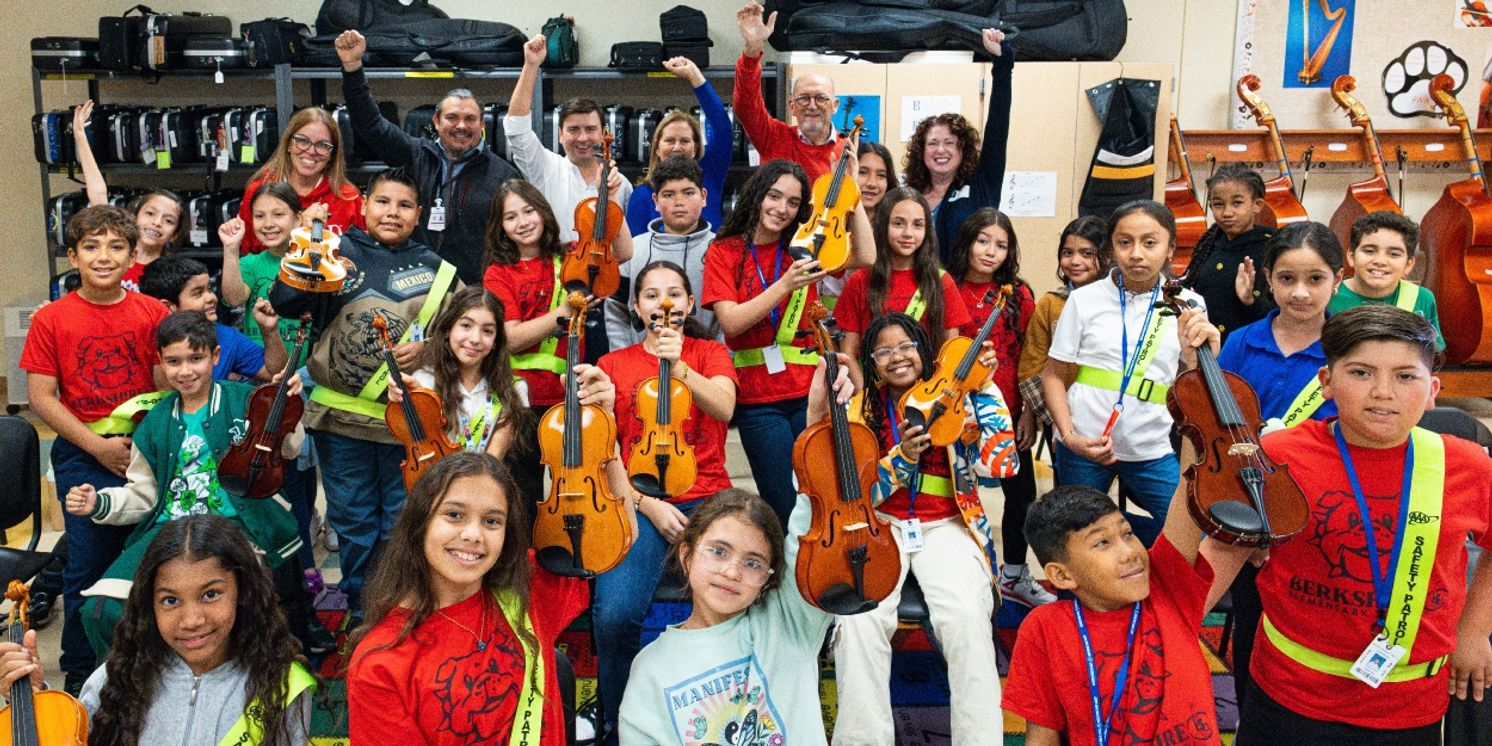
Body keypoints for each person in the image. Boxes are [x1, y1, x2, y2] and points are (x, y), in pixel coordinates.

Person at [1236, 305, 1492, 745]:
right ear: (1326, 382)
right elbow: (1226, 548)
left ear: (1432, 390)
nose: (1383, 392)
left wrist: (1474, 630)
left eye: (1405, 376)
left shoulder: (1467, 465)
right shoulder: (1279, 455)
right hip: (1290, 693)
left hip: (1410, 703)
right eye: (1360, 373)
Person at [618, 350, 850, 743]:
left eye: (753, 563)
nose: (731, 572)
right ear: (687, 554)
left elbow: (811, 522)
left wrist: (816, 424)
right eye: (719, 551)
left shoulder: (790, 623)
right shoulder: (650, 669)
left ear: (770, 577)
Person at [268, 167, 462, 622]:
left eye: (404, 205)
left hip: (407, 424)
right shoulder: (336, 250)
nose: (392, 213)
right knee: (353, 522)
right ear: (364, 205)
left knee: (401, 522)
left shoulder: (438, 269)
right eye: (383, 202)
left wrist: (429, 349)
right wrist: (308, 241)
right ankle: (361, 614)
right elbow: (284, 302)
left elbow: (465, 336)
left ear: (419, 214)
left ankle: (398, 612)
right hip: (339, 423)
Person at [61, 310, 313, 655]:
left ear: (215, 356)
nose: (185, 371)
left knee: (238, 611)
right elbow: (143, 495)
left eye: (196, 358)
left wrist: (288, 407)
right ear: (161, 362)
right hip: (169, 531)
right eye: (174, 361)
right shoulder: (154, 421)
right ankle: (140, 682)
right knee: (101, 610)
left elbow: (289, 449)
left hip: (237, 527)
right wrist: (99, 502)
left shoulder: (246, 399)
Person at [829, 313, 1018, 744]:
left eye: (906, 346)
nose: (897, 357)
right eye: (884, 351)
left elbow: (1002, 465)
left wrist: (984, 388)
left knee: (965, 616)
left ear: (925, 351)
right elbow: (857, 492)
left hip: (948, 523)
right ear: (872, 363)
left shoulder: (961, 398)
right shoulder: (859, 409)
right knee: (858, 621)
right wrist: (903, 458)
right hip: (880, 525)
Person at [347, 452, 619, 744]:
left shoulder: (528, 584)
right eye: (454, 515)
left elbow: (616, 537)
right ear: (420, 521)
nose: (473, 534)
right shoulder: (379, 665)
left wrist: (608, 446)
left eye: (491, 521)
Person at [19, 205, 169, 693]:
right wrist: (99, 448)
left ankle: (143, 659)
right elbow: (42, 397)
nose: (103, 257)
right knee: (88, 562)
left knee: (148, 556)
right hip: (83, 453)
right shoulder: (52, 319)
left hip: (146, 450)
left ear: (132, 256)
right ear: (73, 256)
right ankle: (82, 669)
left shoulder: (152, 313)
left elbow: (165, 383)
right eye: (91, 246)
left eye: (116, 246)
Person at [0, 515, 315, 746]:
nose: (191, 620)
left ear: (243, 592)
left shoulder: (281, 684)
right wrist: (37, 702)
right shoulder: (116, 677)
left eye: (210, 594)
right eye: (170, 600)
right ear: (149, 604)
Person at [593, 260, 739, 739]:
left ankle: (725, 717)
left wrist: (679, 367)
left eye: (674, 293)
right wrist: (645, 503)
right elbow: (605, 452)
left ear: (690, 304)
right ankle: (619, 723)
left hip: (709, 500)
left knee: (736, 602)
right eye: (651, 295)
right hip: (638, 501)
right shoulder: (613, 365)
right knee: (615, 614)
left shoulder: (710, 352)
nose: (663, 303)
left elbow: (724, 406)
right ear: (636, 307)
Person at [1003, 479, 1248, 746]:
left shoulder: (1166, 589)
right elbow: (1042, 734)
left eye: (1128, 533)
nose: (1129, 552)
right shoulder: (1044, 628)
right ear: (1061, 575)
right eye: (1102, 543)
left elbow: (1189, 485)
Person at [1214, 220, 1345, 712]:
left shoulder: (1347, 349)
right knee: (1252, 633)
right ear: (1267, 278)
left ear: (1338, 278)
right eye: (1287, 278)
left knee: (1318, 633)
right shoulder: (1241, 343)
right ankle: (1252, 719)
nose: (1300, 292)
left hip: (1320, 513)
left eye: (1316, 279)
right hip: (1250, 511)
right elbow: (1220, 429)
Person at [701, 159, 873, 524]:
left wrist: (851, 193)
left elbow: (866, 256)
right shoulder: (724, 251)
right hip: (757, 399)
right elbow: (731, 323)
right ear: (757, 195)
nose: (782, 208)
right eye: (774, 196)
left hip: (812, 388)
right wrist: (785, 285)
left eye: (793, 202)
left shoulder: (806, 245)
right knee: (782, 499)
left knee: (826, 487)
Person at [1041, 200, 1221, 546]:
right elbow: (1053, 375)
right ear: (1111, 248)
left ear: (1170, 247)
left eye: (1150, 243)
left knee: (1187, 529)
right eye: (1125, 242)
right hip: (1083, 444)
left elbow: (1193, 384)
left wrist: (1199, 358)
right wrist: (1069, 435)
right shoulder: (1084, 300)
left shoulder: (1189, 303)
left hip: (1150, 447)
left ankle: (1136, 554)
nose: (1136, 254)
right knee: (1076, 538)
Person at [334, 29, 522, 285]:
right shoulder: (414, 154)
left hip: (473, 290)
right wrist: (352, 68)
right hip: (411, 283)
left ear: (482, 124)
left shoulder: (504, 176)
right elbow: (370, 123)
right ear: (436, 121)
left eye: (470, 119)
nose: (461, 126)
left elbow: (516, 238)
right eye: (452, 117)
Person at [482, 179, 621, 505]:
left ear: (543, 212)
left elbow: (623, 252)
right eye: (510, 217)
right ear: (500, 226)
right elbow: (510, 338)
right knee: (523, 492)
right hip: (519, 400)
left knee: (571, 488)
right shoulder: (499, 273)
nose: (522, 222)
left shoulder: (571, 256)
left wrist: (612, 201)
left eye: (528, 211)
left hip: (569, 394)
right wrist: (562, 313)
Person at [947, 207, 1051, 606]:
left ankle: (1014, 575)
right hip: (957, 410)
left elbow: (1029, 357)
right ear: (967, 242)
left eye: (1001, 245)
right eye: (983, 241)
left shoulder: (1018, 294)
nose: (991, 252)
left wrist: (1028, 413)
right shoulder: (945, 285)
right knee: (958, 495)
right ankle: (963, 574)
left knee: (1021, 494)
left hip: (1007, 410)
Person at [902, 29, 1014, 263]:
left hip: (964, 285)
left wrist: (1002, 63)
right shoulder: (912, 192)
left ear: (963, 149)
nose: (940, 150)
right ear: (921, 151)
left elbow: (998, 128)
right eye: (932, 143)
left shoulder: (982, 184)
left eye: (949, 143)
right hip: (918, 285)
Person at [387, 286, 533, 458]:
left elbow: (494, 460)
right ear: (448, 329)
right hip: (437, 473)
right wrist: (410, 397)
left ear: (496, 340)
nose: (475, 339)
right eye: (466, 326)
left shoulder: (514, 389)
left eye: (487, 331)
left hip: (485, 474)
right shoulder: (424, 381)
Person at [833, 187, 972, 368]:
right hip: (874, 383)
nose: (908, 233)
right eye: (898, 224)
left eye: (917, 225)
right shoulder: (859, 280)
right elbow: (848, 353)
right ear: (883, 225)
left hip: (928, 384)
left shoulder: (941, 282)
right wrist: (864, 387)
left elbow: (952, 353)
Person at [70, 101, 183, 292]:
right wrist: (80, 136)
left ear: (175, 235)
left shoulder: (172, 275)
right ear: (134, 217)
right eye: (150, 213)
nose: (157, 223)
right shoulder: (115, 258)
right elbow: (98, 193)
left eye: (168, 220)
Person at [608, 157, 720, 348]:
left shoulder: (720, 250)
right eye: (668, 194)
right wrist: (622, 356)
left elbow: (726, 318)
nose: (679, 202)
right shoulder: (632, 249)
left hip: (706, 360)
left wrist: (719, 360)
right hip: (640, 360)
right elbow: (616, 310)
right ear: (656, 201)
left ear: (703, 197)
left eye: (688, 193)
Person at [1017, 216, 1109, 440]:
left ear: (1107, 256)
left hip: (1108, 413)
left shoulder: (1115, 303)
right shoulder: (1051, 303)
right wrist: (1058, 419)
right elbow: (1031, 365)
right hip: (1057, 416)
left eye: (1087, 253)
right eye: (1068, 253)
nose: (1075, 261)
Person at [734, 2, 845, 183]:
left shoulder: (848, 152)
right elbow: (746, 106)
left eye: (821, 98)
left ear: (835, 105)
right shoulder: (774, 138)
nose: (812, 105)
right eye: (803, 98)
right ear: (792, 106)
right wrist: (752, 50)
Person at [625, 57, 732, 236]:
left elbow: (722, 127)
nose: (677, 148)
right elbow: (635, 248)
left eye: (684, 141)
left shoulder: (710, 175)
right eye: (669, 141)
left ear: (695, 148)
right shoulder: (642, 196)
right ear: (657, 148)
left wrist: (695, 77)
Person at [235, 107, 365, 255]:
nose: (311, 151)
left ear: (332, 154)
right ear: (288, 144)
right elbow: (249, 254)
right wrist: (299, 228)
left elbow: (361, 256)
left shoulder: (348, 197)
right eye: (302, 141)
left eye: (322, 145)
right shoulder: (258, 190)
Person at [139, 255, 288, 383]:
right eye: (198, 293)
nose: (211, 298)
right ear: (167, 306)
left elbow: (276, 374)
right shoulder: (141, 339)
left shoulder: (226, 337)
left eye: (209, 289)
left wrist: (269, 330)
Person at [1178, 163, 1274, 341]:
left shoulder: (1272, 248)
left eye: (1237, 203)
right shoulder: (1210, 242)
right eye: (1218, 204)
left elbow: (1282, 316)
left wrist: (1250, 301)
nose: (1227, 212)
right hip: (1204, 345)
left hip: (1246, 347)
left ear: (1257, 205)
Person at [1328, 211, 1444, 350]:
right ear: (1351, 256)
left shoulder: (1422, 297)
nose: (1380, 261)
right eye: (1369, 251)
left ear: (1408, 265)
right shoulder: (1329, 296)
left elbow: (1432, 353)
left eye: (1394, 254)